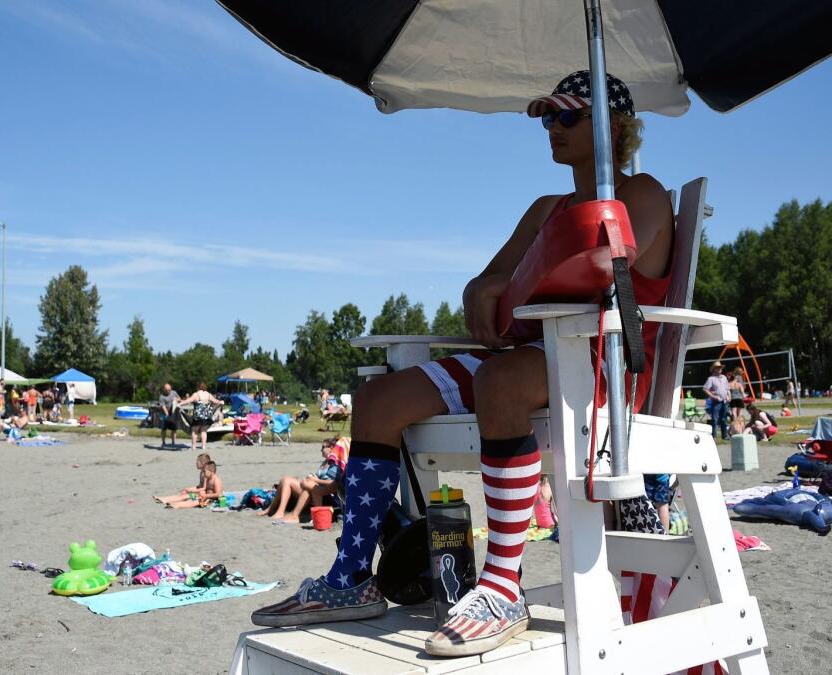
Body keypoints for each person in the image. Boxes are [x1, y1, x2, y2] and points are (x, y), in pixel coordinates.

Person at [252, 70, 673, 656]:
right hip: (526, 354)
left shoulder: (643, 193)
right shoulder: (547, 207)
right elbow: (485, 285)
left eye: (568, 117)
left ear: (614, 127)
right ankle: (351, 579)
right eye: (548, 117)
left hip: (602, 366)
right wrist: (497, 286)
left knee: (498, 380)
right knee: (377, 402)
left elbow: (603, 259)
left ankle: (502, 586)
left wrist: (510, 287)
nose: (552, 128)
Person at [264, 436, 349, 524]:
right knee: (286, 479)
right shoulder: (326, 462)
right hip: (318, 492)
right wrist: (312, 478)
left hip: (326, 496)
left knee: (300, 485)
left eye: (323, 447)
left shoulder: (335, 464)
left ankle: (292, 515)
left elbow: (334, 484)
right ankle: (277, 510)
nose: (321, 450)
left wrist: (315, 480)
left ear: (331, 448)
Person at [180, 382, 224, 453]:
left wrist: (180, 403)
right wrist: (220, 402)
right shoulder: (208, 394)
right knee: (204, 431)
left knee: (194, 430)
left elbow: (188, 400)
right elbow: (216, 402)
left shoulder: (196, 394)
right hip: (207, 416)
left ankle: (194, 446)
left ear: (198, 387)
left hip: (198, 416)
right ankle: (203, 446)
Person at [702, 362, 730, 441]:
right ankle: (713, 436)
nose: (720, 369)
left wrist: (729, 396)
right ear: (714, 369)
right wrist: (713, 396)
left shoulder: (724, 377)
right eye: (718, 367)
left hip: (724, 401)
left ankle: (724, 436)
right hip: (716, 401)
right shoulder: (711, 379)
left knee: (724, 419)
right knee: (715, 419)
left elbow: (727, 388)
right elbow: (705, 389)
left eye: (720, 367)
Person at [158, 383, 181, 447]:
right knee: (163, 429)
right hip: (164, 414)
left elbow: (180, 399)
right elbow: (163, 406)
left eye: (169, 390)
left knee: (174, 429)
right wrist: (167, 415)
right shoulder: (161, 396)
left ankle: (173, 442)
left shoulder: (174, 392)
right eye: (166, 390)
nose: (168, 391)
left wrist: (177, 399)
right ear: (164, 389)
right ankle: (163, 442)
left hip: (173, 413)